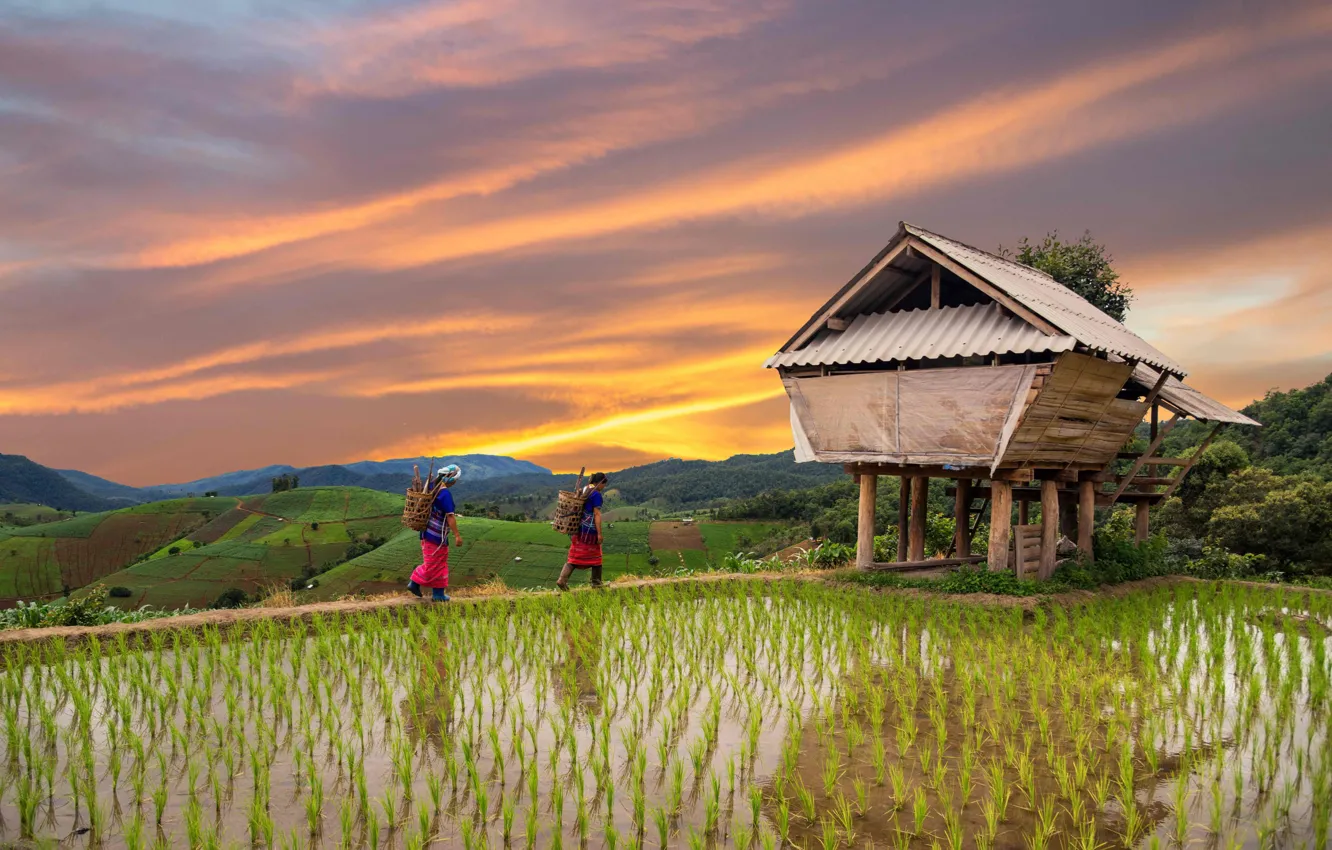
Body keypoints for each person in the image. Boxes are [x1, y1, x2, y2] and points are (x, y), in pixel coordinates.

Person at [408, 464, 462, 601]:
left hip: (426, 533)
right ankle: (415, 583)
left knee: (439, 564)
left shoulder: (431, 487)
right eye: (455, 480)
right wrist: (457, 535)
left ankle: (438, 594)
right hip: (436, 535)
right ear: (451, 479)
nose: (455, 483)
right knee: (433, 564)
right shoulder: (444, 494)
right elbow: (450, 516)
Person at [556, 472, 608, 591]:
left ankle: (562, 579)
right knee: (596, 556)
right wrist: (599, 533)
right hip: (589, 530)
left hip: (578, 528)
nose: (604, 487)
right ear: (600, 483)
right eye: (604, 485)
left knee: (574, 555)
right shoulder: (596, 495)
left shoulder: (585, 489)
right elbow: (597, 514)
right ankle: (596, 583)